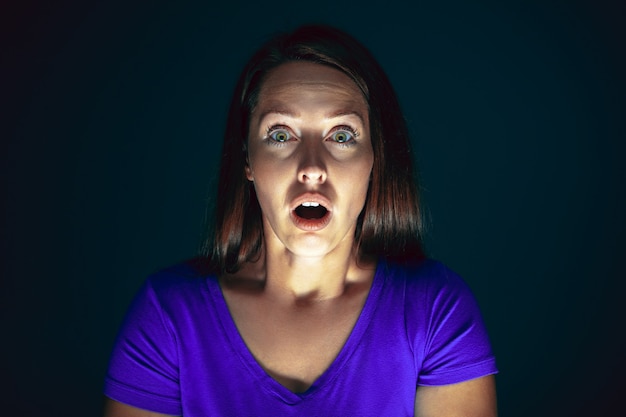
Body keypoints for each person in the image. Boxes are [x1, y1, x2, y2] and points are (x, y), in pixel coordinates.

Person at [103, 24, 498, 416]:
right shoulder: (168, 316)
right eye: (281, 135)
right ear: (247, 160)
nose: (312, 167)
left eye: (342, 136)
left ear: (375, 159)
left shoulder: (435, 310)